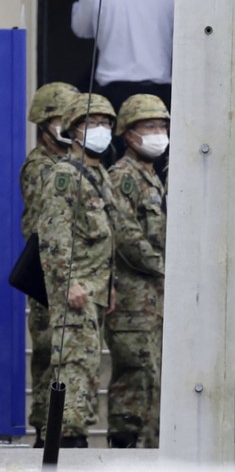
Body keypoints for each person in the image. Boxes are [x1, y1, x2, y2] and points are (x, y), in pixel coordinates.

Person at [37, 93, 144, 447]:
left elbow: (104, 239)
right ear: (73, 130)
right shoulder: (65, 175)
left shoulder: (99, 175)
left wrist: (108, 286)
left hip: (95, 290)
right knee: (73, 367)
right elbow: (54, 236)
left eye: (105, 123)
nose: (101, 129)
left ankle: (74, 436)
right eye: (91, 123)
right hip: (76, 290)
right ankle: (65, 440)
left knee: (86, 367)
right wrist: (67, 283)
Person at [105, 94, 170, 448]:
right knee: (136, 378)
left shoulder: (151, 176)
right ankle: (126, 449)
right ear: (129, 134)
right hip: (134, 300)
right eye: (150, 126)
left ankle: (148, 450)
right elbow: (127, 237)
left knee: (155, 380)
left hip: (155, 300)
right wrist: (168, 268)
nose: (159, 133)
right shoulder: (123, 177)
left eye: (162, 126)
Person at [19, 82, 80, 447]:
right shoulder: (41, 166)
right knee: (47, 351)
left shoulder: (68, 164)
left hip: (64, 267)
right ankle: (45, 428)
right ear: (44, 123)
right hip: (47, 271)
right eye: (61, 119)